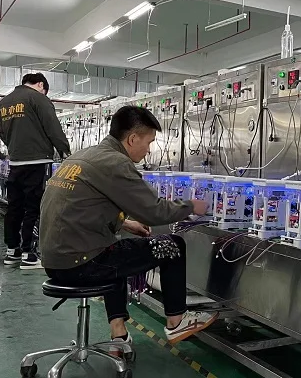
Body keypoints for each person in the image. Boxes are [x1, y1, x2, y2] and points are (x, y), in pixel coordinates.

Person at [40, 105, 218, 349]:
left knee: (117, 252)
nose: (149, 150)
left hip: (55, 261)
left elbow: (80, 209)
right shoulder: (116, 163)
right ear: (133, 139)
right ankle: (177, 320)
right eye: (149, 142)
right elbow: (153, 212)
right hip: (81, 263)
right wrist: (192, 206)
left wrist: (125, 223)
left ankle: (119, 335)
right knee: (173, 245)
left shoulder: (83, 157)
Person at [0, 73, 70, 269]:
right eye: (44, 90)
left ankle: (12, 251)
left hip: (15, 162)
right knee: (33, 207)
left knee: (14, 207)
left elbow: (3, 134)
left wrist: (16, 149)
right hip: (37, 161)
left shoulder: (4, 103)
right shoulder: (38, 98)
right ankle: (29, 255)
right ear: (40, 84)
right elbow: (53, 127)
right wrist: (65, 152)